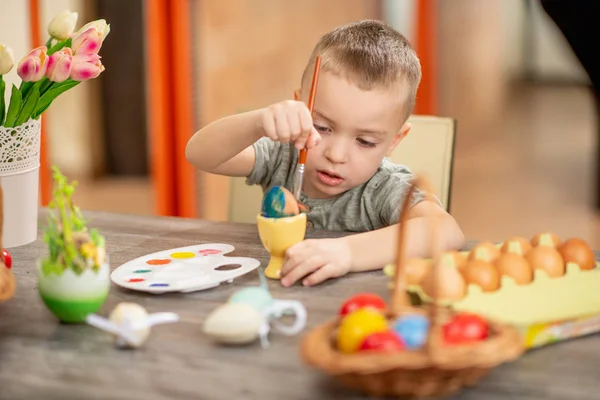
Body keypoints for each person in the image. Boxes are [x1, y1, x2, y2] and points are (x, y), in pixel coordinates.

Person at [186, 20, 465, 287]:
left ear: (395, 140)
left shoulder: (385, 188)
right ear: (300, 106)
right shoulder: (283, 156)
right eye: (322, 127)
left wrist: (348, 253)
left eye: (365, 141)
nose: (337, 154)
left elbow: (446, 231)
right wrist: (258, 121)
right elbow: (199, 154)